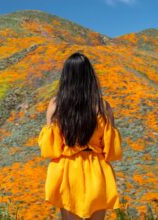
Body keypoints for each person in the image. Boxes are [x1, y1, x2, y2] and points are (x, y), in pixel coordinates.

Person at [38, 52, 123, 220]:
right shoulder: (102, 106)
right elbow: (112, 151)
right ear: (90, 76)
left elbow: (50, 150)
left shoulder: (56, 105)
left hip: (68, 172)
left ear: (66, 76)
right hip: (97, 172)